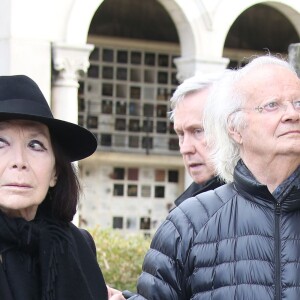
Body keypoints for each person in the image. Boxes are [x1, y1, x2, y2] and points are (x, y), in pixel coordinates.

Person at [124, 54, 300, 299]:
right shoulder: (188, 223)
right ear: (235, 128)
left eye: (298, 103)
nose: (292, 114)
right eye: (272, 105)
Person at [0, 75, 120, 300]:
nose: (19, 160)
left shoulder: (77, 245)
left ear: (55, 172)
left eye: (35, 145)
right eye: (1, 143)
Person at [169, 74, 224, 206]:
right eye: (181, 134)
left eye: (198, 131)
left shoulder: (266, 200)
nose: (185, 148)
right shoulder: (184, 210)